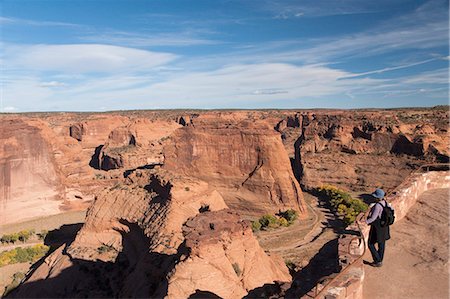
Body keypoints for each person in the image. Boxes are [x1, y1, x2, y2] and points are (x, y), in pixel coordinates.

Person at [365, 188, 391, 267]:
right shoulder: (386, 203)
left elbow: (373, 218)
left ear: (377, 197)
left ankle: (377, 260)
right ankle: (380, 260)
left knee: (370, 244)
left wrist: (364, 222)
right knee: (381, 244)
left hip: (377, 227)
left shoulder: (377, 206)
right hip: (385, 226)